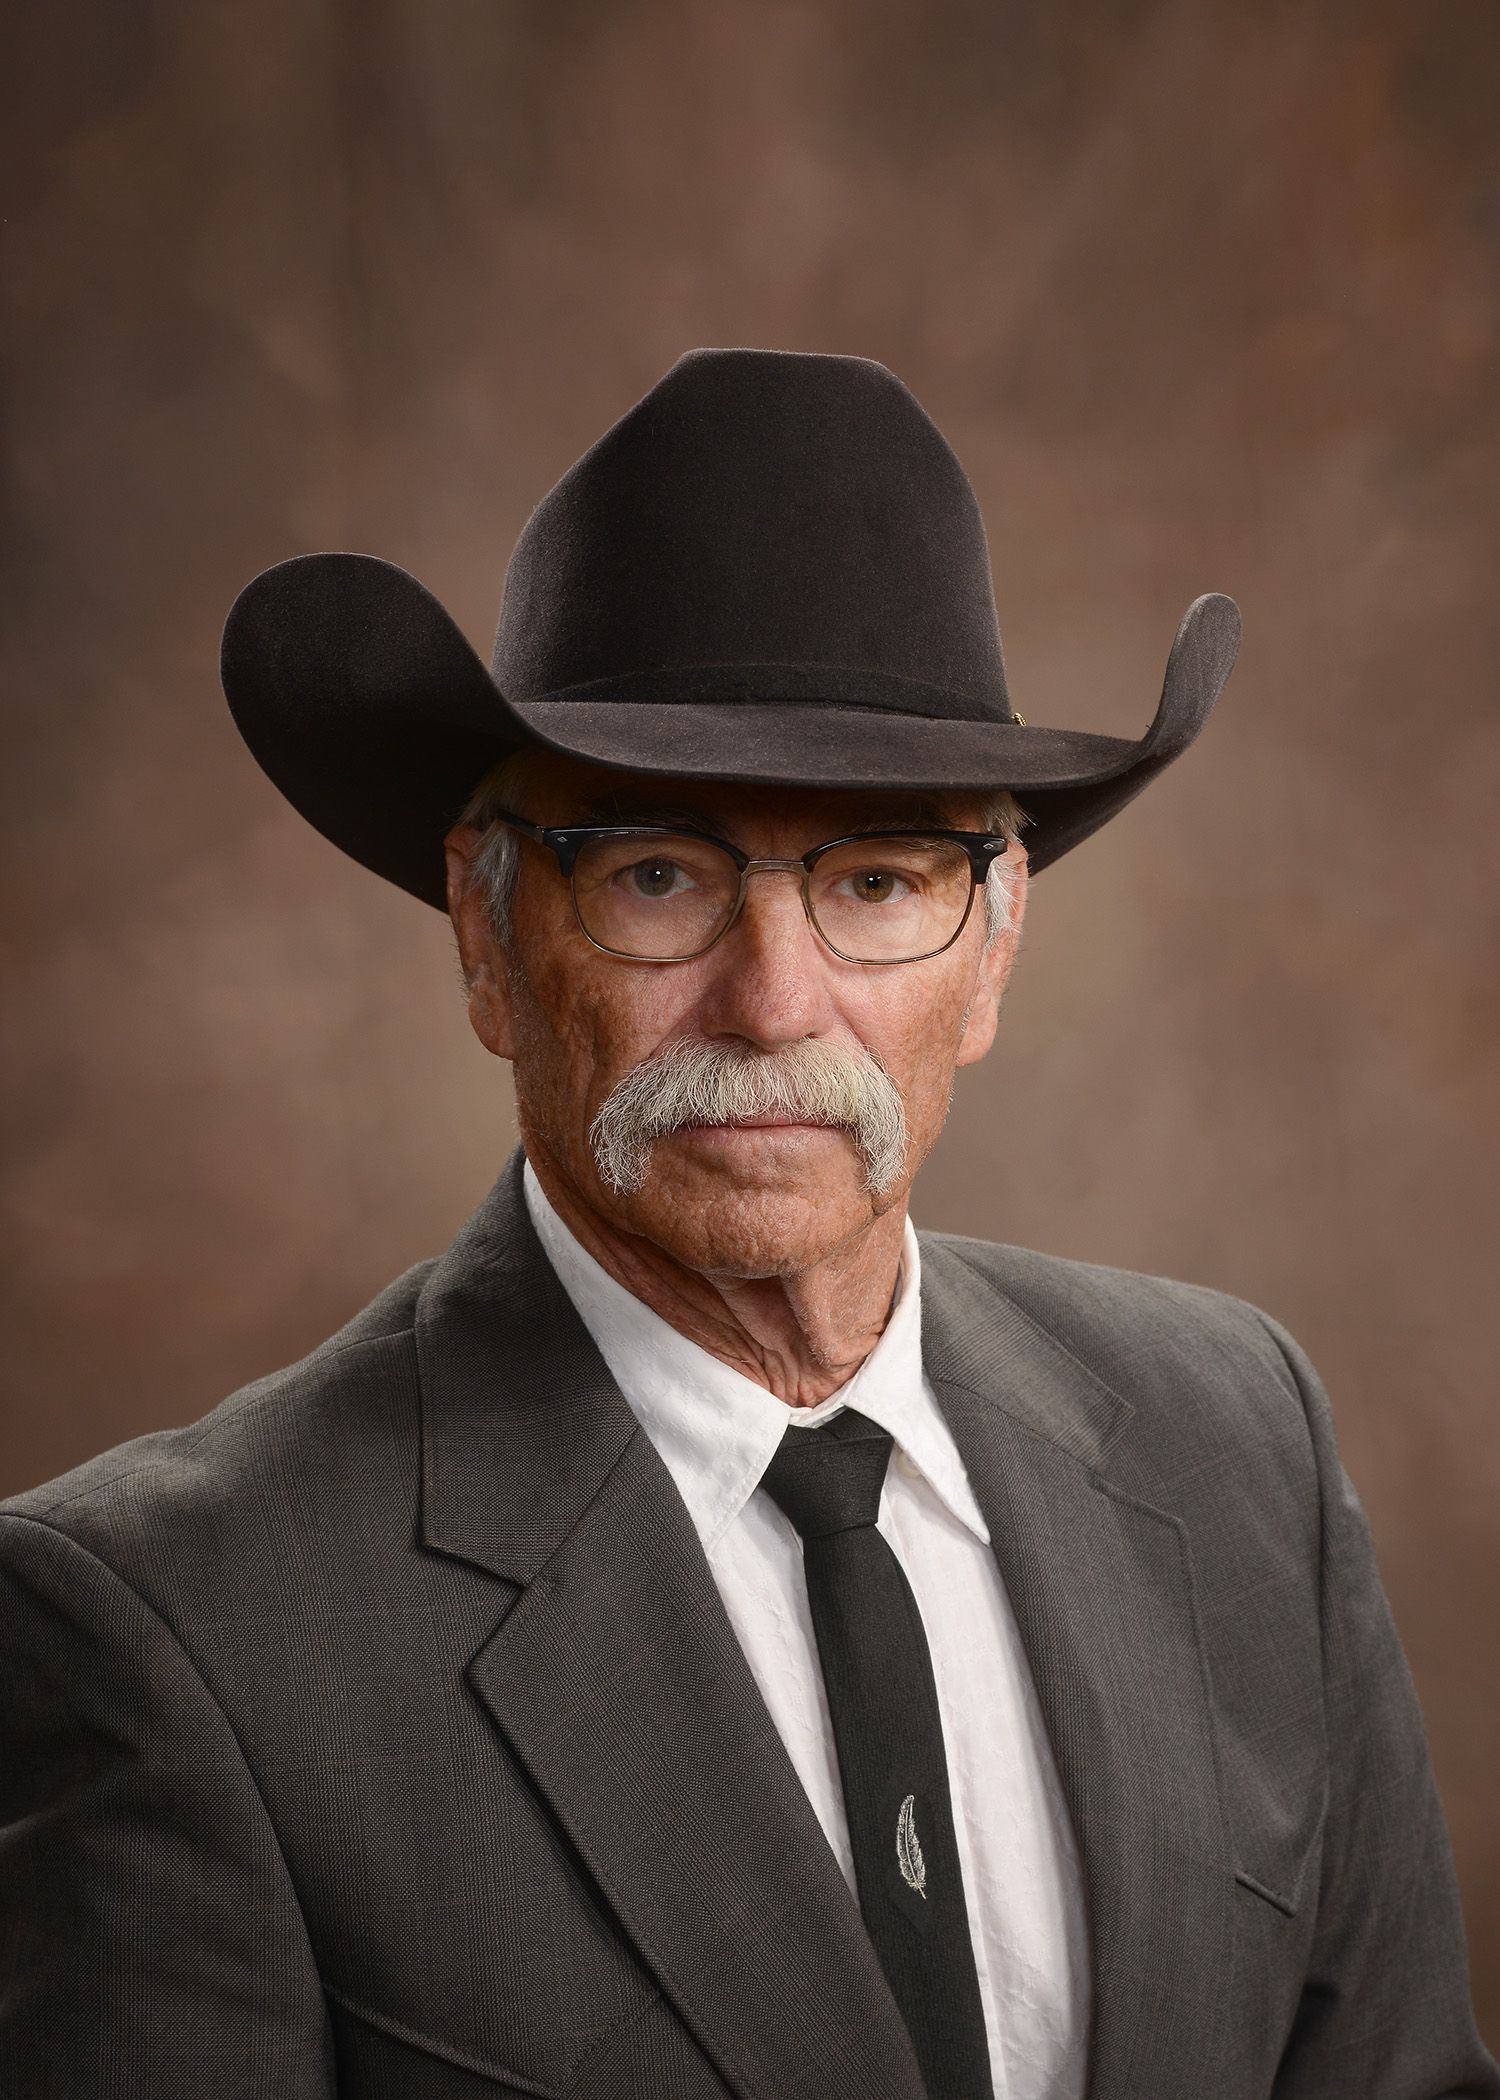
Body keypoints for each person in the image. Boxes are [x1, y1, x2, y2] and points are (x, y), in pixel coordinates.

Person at [1, 349, 1492, 2100]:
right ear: (489, 946)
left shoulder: (1240, 1440)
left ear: (994, 946)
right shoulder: (176, 1635)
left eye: (875, 880)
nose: (777, 1004)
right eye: (657, 874)